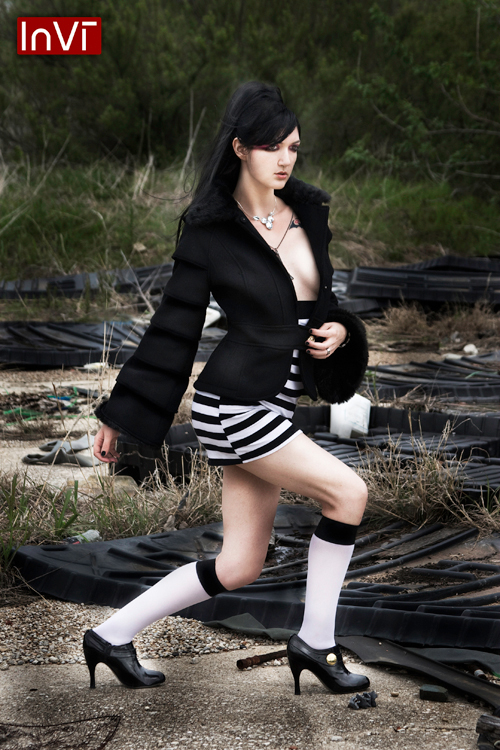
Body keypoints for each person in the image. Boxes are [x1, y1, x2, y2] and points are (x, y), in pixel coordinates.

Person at [83, 81, 370, 696]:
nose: (285, 160)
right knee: (349, 494)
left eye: (293, 147)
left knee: (240, 565)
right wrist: (120, 413)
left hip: (276, 401)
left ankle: (110, 635)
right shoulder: (210, 232)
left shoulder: (308, 215)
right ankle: (316, 644)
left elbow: (325, 303)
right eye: (271, 147)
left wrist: (342, 331)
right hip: (234, 405)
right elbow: (172, 330)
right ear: (240, 148)